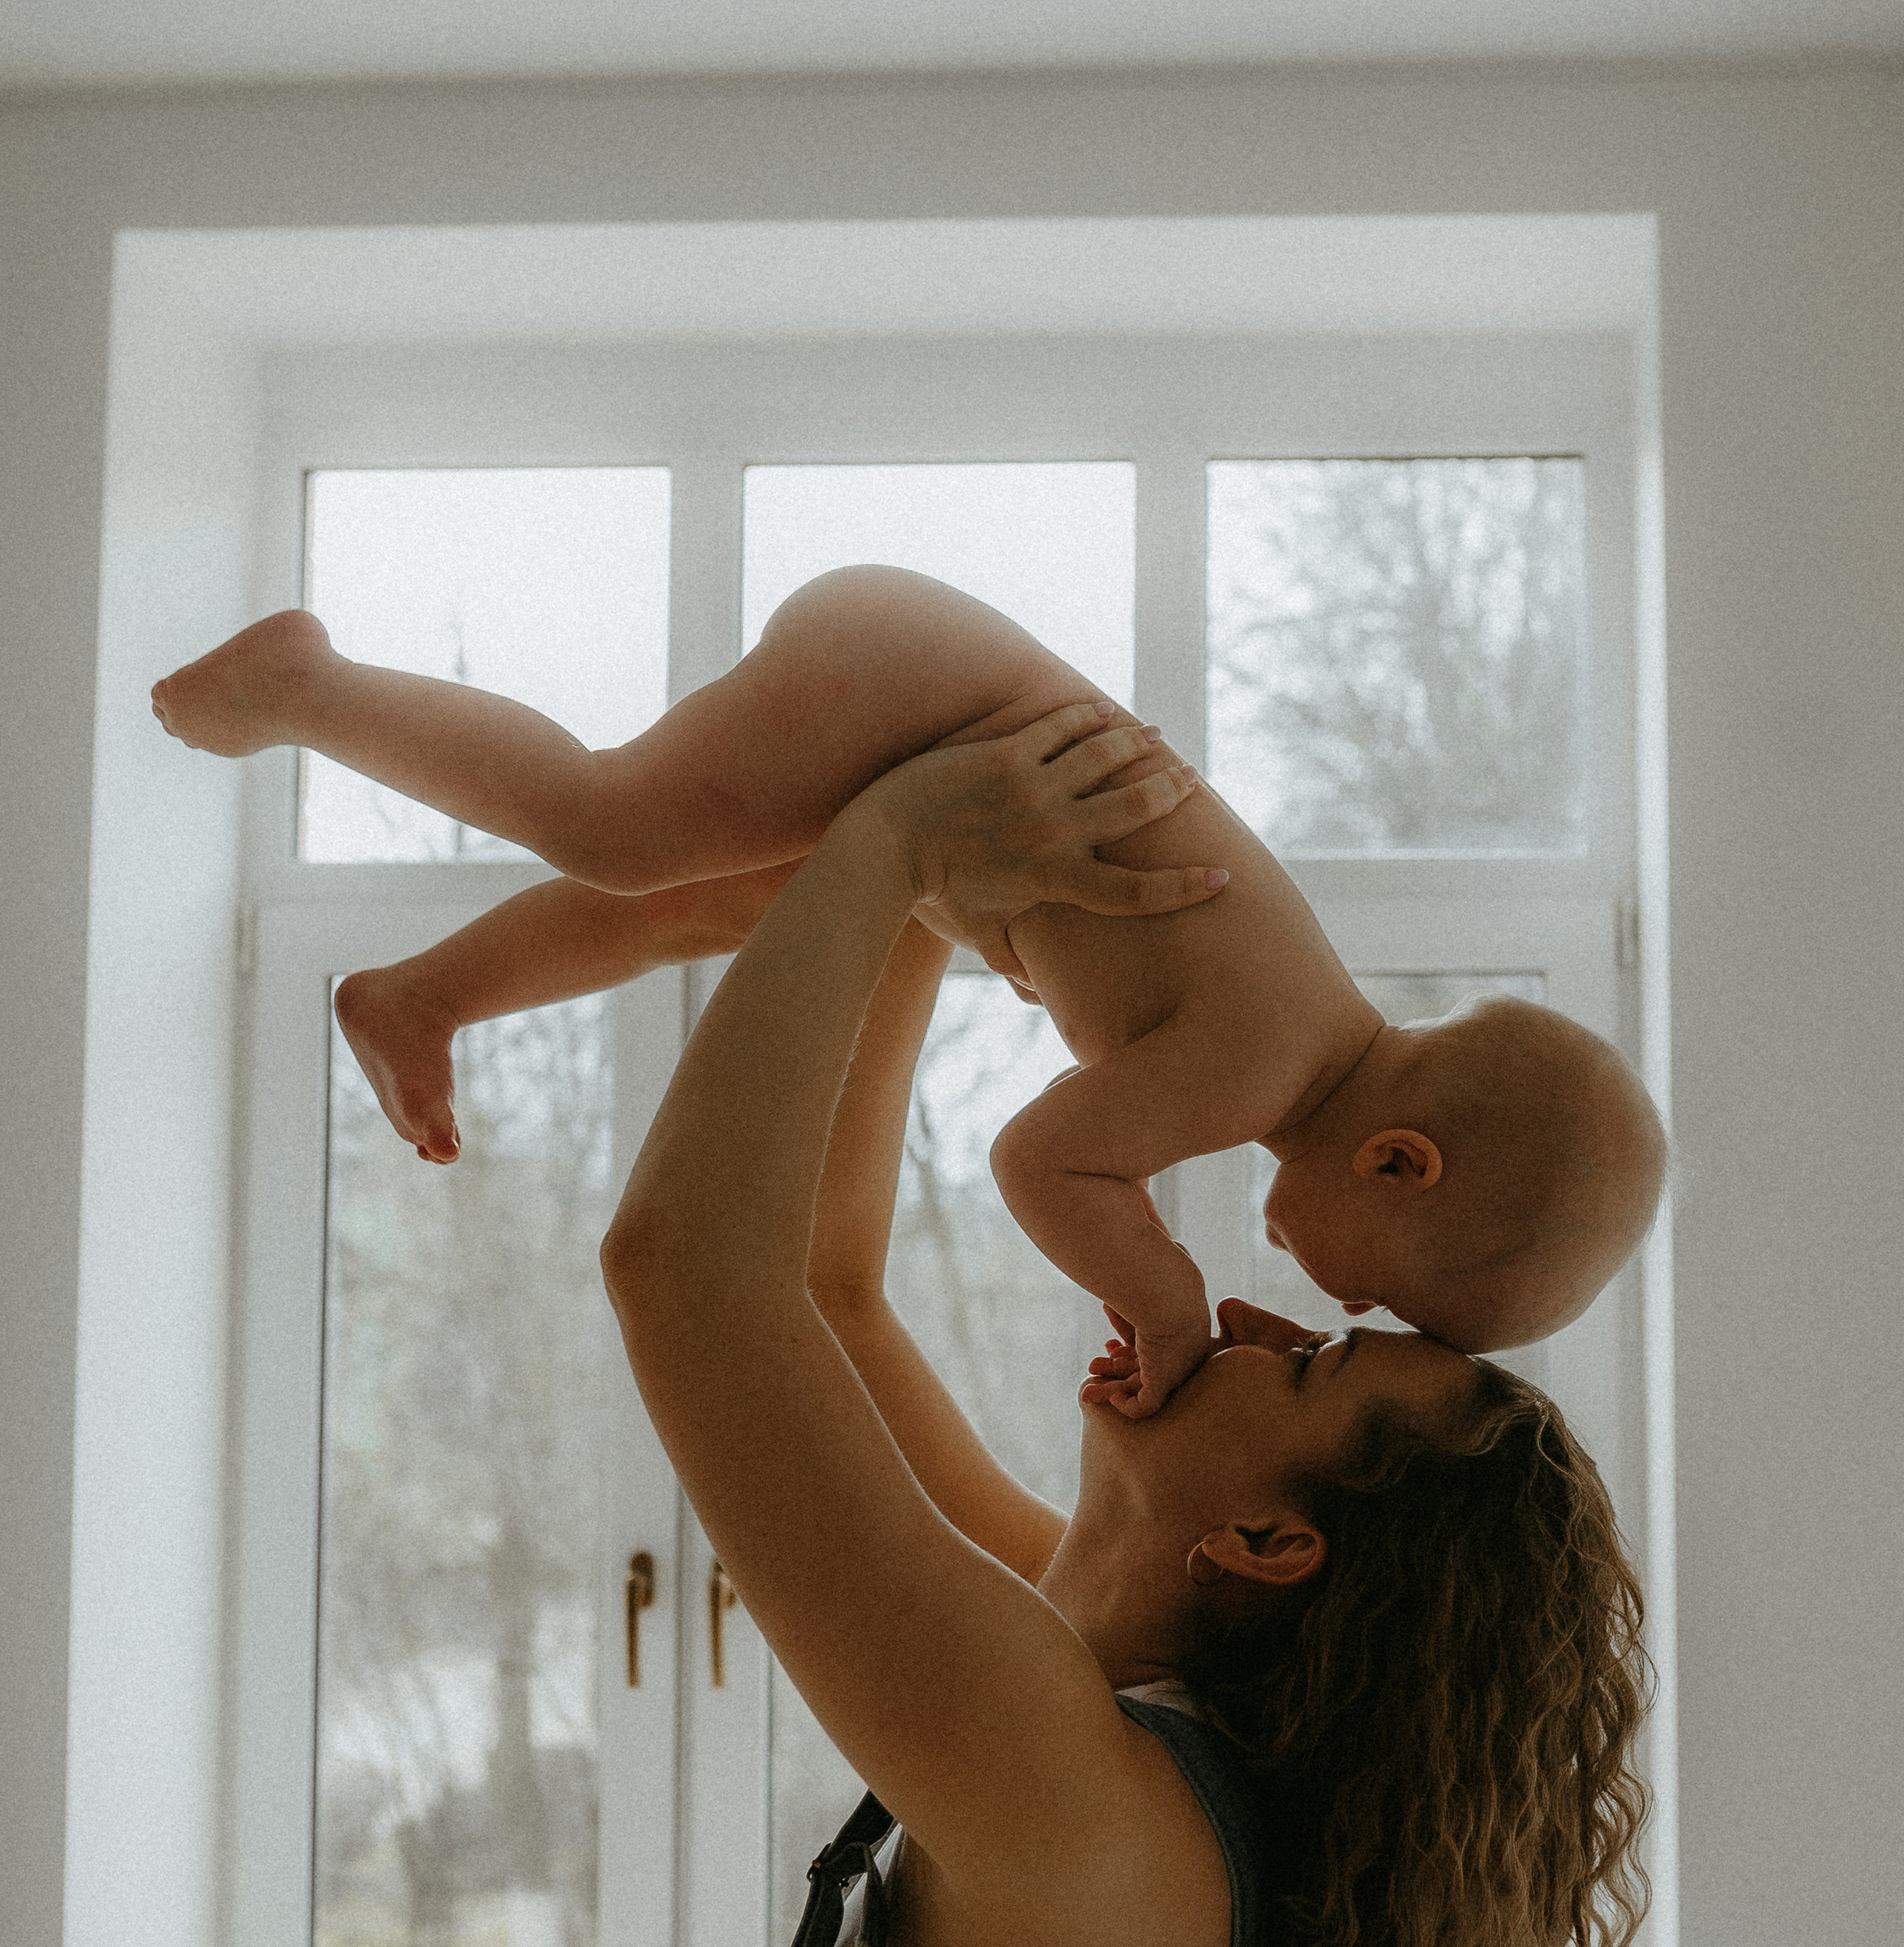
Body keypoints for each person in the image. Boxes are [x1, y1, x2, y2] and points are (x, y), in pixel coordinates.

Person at [594, 704, 1652, 1947]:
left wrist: (898, 834)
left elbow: (684, 1269)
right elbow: (816, 1282)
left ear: (1268, 1544)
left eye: (1306, 1364)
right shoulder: (1077, 1741)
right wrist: (942, 893)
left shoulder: (1081, 1807)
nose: (1248, 1302)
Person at [150, 565, 1667, 1413]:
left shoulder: (1279, 1041)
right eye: (1374, 1288)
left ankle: (421, 999)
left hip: (930, 710)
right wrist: (1158, 1295)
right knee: (618, 827)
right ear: (1398, 1160)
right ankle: (307, 686)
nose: (1336, 1305)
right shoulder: (1262, 1066)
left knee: (710, 909)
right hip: (927, 697)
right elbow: (1038, 1157)